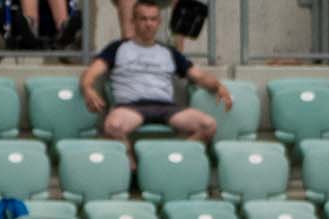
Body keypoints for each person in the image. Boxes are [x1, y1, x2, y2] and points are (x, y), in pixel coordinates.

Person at [82, 0, 233, 143]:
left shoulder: (169, 52)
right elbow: (91, 73)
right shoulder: (117, 48)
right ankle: (132, 164)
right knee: (113, 126)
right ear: (133, 21)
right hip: (131, 107)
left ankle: (175, 155)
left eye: (153, 19)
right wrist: (88, 88)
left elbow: (198, 76)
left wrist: (218, 86)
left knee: (209, 125)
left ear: (159, 23)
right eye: (143, 19)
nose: (149, 24)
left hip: (166, 107)